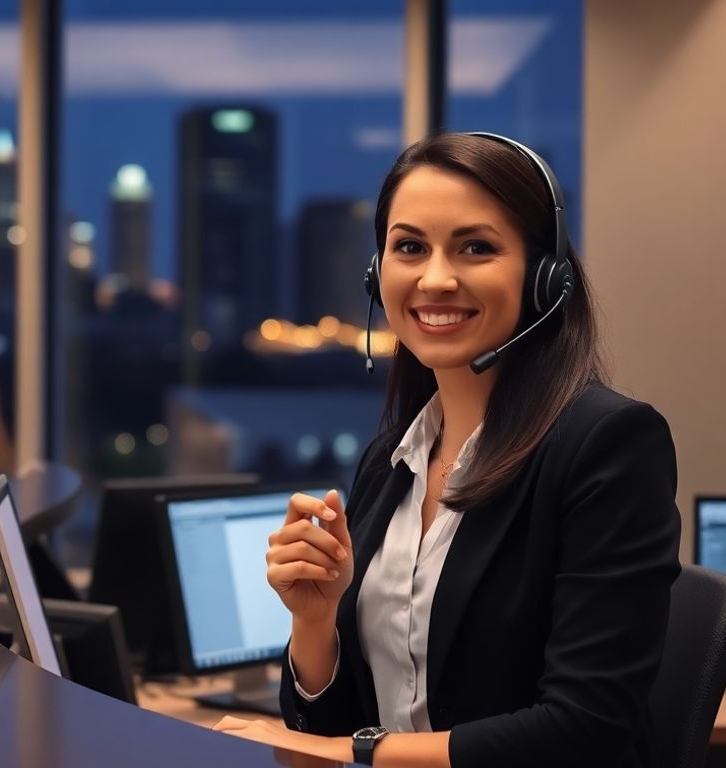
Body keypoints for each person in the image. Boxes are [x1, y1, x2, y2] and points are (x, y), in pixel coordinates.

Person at [213, 132, 681, 767]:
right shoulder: (389, 463)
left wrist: (353, 751)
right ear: (379, 274)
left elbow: (583, 728)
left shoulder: (607, 444)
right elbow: (335, 728)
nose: (435, 278)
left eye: (477, 248)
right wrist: (316, 623)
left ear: (544, 277)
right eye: (410, 247)